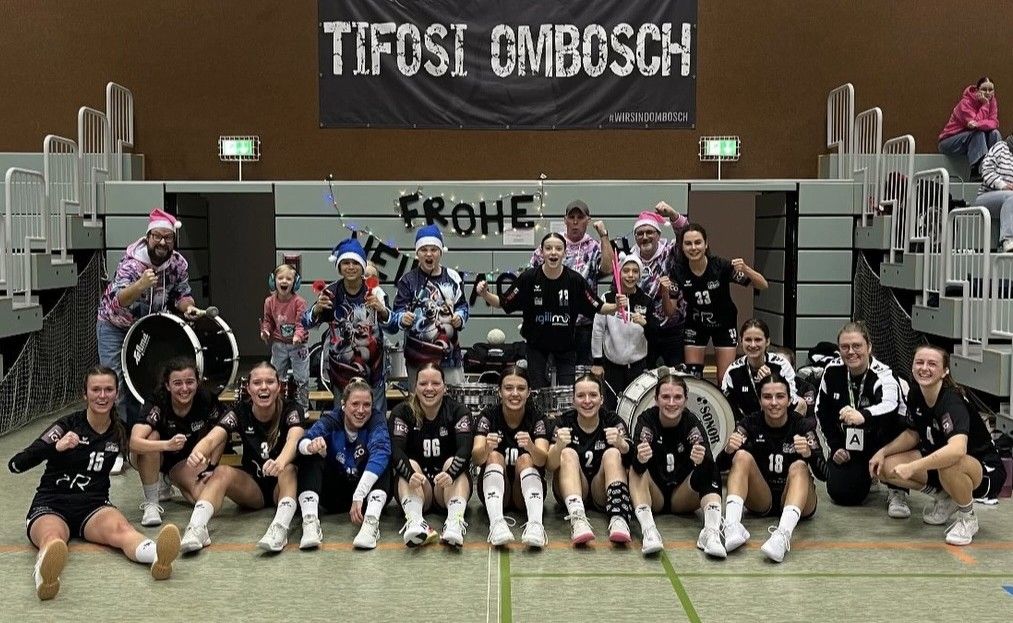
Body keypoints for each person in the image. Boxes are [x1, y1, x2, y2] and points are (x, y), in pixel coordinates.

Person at [8, 366, 180, 600]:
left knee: (124, 531)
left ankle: (159, 557)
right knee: (53, 539)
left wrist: (167, 447)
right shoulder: (67, 425)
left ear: (117, 394)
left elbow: (143, 447)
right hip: (52, 504)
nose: (102, 395)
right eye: (96, 389)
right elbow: (17, 464)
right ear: (85, 394)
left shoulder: (120, 430)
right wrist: (55, 447)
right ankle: (46, 578)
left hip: (93, 506)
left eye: (108, 389)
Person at [871, 345, 1006, 546]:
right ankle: (945, 497)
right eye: (919, 362)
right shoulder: (915, 394)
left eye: (932, 364)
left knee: (950, 463)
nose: (924, 368)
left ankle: (967, 518)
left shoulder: (952, 402)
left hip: (983, 470)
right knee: (886, 467)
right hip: (942, 465)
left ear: (945, 371)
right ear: (912, 367)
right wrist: (882, 452)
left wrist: (913, 467)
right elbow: (913, 434)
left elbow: (957, 450)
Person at [180, 362, 309, 553]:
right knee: (222, 471)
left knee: (289, 469)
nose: (263, 387)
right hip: (253, 487)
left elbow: (294, 439)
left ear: (278, 387)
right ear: (248, 388)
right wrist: (197, 452)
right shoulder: (240, 411)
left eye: (270, 382)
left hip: (281, 484)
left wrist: (280, 462)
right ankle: (197, 528)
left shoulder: (291, 409)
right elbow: (212, 438)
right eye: (257, 383)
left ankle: (279, 528)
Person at [477, 232, 625, 390]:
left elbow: (599, 307)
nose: (553, 252)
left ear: (564, 253)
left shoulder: (575, 280)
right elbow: (502, 302)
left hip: (565, 348)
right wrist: (485, 294)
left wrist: (616, 306)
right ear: (541, 252)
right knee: (538, 392)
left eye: (558, 249)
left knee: (568, 393)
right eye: (548, 248)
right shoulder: (529, 278)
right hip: (536, 348)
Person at [96, 208, 201, 428]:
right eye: (157, 236)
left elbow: (182, 294)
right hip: (115, 326)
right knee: (116, 384)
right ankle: (118, 436)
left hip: (148, 328)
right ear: (148, 238)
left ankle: (143, 431)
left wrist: (189, 307)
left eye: (168, 237)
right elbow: (119, 301)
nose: (162, 242)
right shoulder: (131, 264)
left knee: (144, 381)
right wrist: (140, 285)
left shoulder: (178, 264)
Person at [721, 374, 825, 563]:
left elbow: (824, 474)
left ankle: (782, 535)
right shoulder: (749, 423)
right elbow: (719, 469)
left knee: (799, 466)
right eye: (767, 397)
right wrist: (728, 451)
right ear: (760, 400)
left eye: (780, 396)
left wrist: (809, 453)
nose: (774, 403)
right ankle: (732, 526)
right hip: (761, 498)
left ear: (789, 400)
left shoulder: (802, 425)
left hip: (799, 500)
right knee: (741, 456)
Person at [629, 373, 725, 557]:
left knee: (709, 465)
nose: (671, 403)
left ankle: (710, 532)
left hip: (682, 496)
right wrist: (640, 458)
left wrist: (701, 460)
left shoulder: (692, 422)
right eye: (665, 397)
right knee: (634, 470)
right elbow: (637, 465)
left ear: (686, 400)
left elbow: (708, 465)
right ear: (656, 399)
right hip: (654, 495)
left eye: (678, 397)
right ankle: (649, 531)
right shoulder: (647, 420)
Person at [815, 322, 907, 511]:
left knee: (897, 419)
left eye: (857, 346)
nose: (851, 352)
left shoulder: (884, 374)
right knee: (842, 493)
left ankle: (897, 489)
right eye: (845, 347)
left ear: (869, 347)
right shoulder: (832, 371)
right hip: (853, 441)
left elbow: (891, 405)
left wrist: (863, 415)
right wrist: (835, 447)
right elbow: (821, 412)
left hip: (883, 440)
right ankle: (867, 475)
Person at [304, 237, 393, 420]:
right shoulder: (330, 292)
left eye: (355, 263)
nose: (351, 267)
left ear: (363, 266)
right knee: (345, 420)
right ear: (339, 267)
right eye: (346, 263)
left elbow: (393, 326)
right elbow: (306, 323)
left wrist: (382, 310)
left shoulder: (376, 292)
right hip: (341, 372)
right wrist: (317, 309)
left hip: (374, 370)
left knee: (377, 420)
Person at [296, 378, 391, 550]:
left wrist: (359, 494)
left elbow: (381, 451)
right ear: (343, 405)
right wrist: (310, 446)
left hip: (365, 497)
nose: (361, 410)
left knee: (382, 458)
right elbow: (303, 440)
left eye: (367, 405)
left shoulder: (376, 420)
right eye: (355, 404)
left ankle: (371, 522)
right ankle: (310, 522)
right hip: (335, 495)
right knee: (310, 456)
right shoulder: (332, 420)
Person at [130, 357, 223, 527]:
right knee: (151, 436)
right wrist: (167, 445)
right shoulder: (158, 401)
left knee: (204, 499)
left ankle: (170, 479)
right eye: (178, 383)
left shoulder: (206, 399)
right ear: (168, 385)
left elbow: (221, 433)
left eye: (190, 382)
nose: (184, 388)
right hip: (156, 455)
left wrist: (212, 466)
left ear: (197, 382)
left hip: (184, 460)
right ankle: (151, 503)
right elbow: (134, 443)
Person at [389, 363, 474, 547]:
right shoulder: (402, 412)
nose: (429, 388)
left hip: (447, 486)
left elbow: (466, 449)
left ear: (444, 387)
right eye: (423, 383)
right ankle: (415, 521)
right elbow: (395, 451)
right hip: (419, 486)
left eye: (435, 383)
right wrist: (410, 475)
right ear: (415, 387)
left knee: (452, 462)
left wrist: (450, 473)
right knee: (410, 464)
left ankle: (454, 522)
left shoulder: (458, 411)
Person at [669, 223, 768, 383]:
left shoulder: (720, 266)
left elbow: (763, 285)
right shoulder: (678, 270)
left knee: (725, 378)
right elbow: (670, 311)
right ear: (682, 246)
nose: (693, 248)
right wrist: (664, 291)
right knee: (693, 376)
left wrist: (745, 268)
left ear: (706, 244)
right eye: (688, 243)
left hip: (724, 323)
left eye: (698, 242)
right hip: (696, 324)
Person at [546, 374, 633, 545]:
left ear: (602, 399)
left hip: (602, 491)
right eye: (581, 396)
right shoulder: (563, 422)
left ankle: (619, 518)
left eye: (593, 395)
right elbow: (549, 465)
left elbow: (633, 462)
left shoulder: (612, 421)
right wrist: (559, 446)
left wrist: (621, 444)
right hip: (570, 489)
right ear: (573, 400)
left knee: (613, 453)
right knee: (567, 453)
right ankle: (578, 519)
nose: (587, 401)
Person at [471, 365, 551, 548]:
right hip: (495, 492)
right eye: (508, 388)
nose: (515, 393)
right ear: (499, 392)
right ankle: (496, 523)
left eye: (521, 388)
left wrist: (530, 446)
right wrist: (486, 448)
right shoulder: (488, 416)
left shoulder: (537, 417)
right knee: (494, 456)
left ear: (529, 392)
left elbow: (542, 460)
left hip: (526, 493)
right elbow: (476, 458)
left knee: (526, 459)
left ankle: (536, 524)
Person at [529, 199, 615, 366]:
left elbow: (609, 268)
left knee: (582, 373)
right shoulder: (552, 245)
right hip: (551, 324)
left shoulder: (594, 247)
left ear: (588, 220)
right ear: (565, 220)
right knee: (550, 373)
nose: (575, 222)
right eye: (571, 217)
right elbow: (531, 277)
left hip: (584, 326)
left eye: (580, 217)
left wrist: (604, 236)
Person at [392, 225, 470, 387]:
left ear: (440, 252)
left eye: (433, 250)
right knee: (418, 399)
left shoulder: (453, 277)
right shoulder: (407, 280)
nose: (429, 254)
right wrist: (402, 318)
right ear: (417, 253)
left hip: (449, 359)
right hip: (417, 359)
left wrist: (460, 318)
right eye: (424, 250)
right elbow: (397, 311)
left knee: (452, 398)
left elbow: (463, 306)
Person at [591, 253, 655, 411]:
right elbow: (598, 331)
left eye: (635, 271)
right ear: (618, 273)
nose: (630, 275)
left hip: (637, 366)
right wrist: (597, 362)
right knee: (610, 408)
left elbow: (656, 335)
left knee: (636, 408)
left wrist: (646, 324)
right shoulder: (607, 298)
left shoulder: (646, 300)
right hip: (612, 366)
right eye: (626, 271)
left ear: (640, 275)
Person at [631, 204, 689, 367]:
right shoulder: (629, 260)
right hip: (644, 331)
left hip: (674, 331)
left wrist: (672, 213)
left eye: (649, 232)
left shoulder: (671, 252)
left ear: (658, 234)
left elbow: (685, 233)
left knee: (676, 375)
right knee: (645, 377)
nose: (645, 237)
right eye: (640, 233)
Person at [721, 318, 805, 423]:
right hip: (746, 423)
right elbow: (725, 407)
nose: (753, 345)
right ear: (741, 341)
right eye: (748, 340)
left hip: (778, 422)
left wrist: (770, 383)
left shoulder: (782, 365)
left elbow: (791, 401)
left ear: (767, 341)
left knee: (801, 404)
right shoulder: (733, 371)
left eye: (758, 340)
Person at [261, 263, 310, 410]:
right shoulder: (269, 302)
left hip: (298, 346)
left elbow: (302, 323)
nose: (284, 281)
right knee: (275, 376)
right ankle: (277, 406)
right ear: (273, 281)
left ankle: (302, 408)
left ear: (295, 283)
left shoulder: (299, 302)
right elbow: (268, 321)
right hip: (279, 344)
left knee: (301, 378)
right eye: (280, 278)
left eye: (289, 279)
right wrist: (266, 331)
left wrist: (298, 335)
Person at [938, 77, 1001, 180]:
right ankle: (975, 171)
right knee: (978, 134)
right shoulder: (965, 103)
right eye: (984, 89)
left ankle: (996, 168)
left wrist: (979, 124)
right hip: (949, 142)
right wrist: (985, 105)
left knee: (995, 133)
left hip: (971, 142)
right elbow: (973, 124)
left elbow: (994, 122)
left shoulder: (992, 102)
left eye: (990, 90)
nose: (987, 93)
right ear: (977, 90)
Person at [974, 133, 1013, 253]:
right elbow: (986, 170)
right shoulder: (1000, 147)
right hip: (987, 197)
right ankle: (1008, 239)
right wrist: (1003, 185)